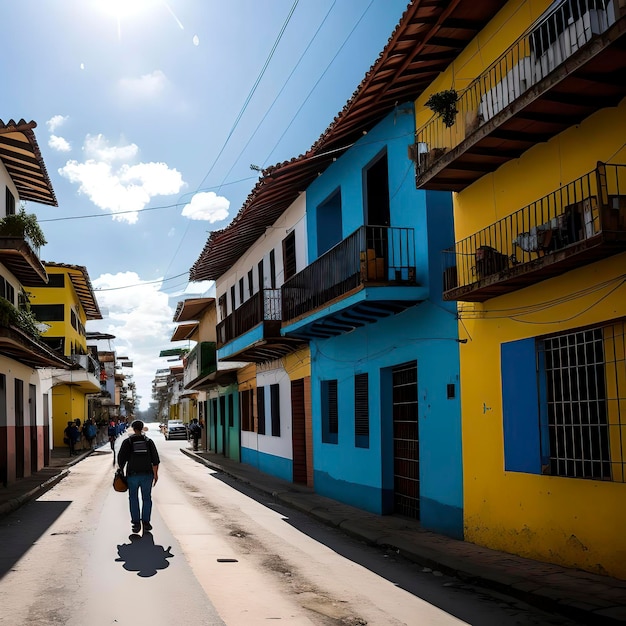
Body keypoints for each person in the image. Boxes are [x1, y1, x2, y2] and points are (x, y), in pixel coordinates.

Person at [117, 420, 160, 534]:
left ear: (133, 428)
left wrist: (121, 472)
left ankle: (136, 523)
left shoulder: (128, 442)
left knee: (133, 498)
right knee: (147, 498)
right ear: (142, 428)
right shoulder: (149, 442)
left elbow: (121, 460)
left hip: (132, 475)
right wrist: (155, 475)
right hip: (147, 475)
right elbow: (155, 461)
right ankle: (146, 522)